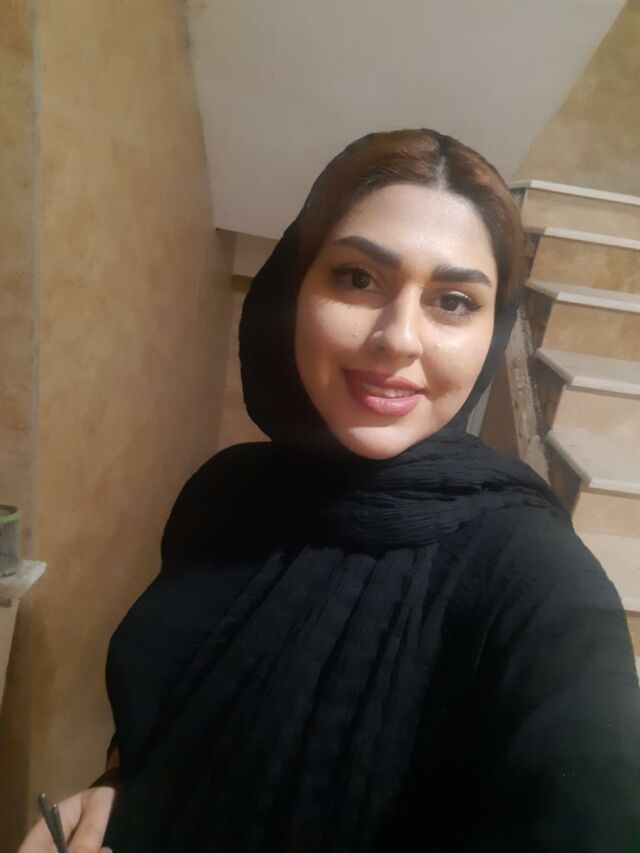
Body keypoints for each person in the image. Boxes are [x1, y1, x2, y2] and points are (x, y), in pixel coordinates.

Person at [19, 129, 640, 852]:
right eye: (356, 278)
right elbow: (176, 714)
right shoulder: (224, 494)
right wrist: (119, 787)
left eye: (452, 301)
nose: (398, 339)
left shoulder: (537, 578)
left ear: (492, 329)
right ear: (294, 287)